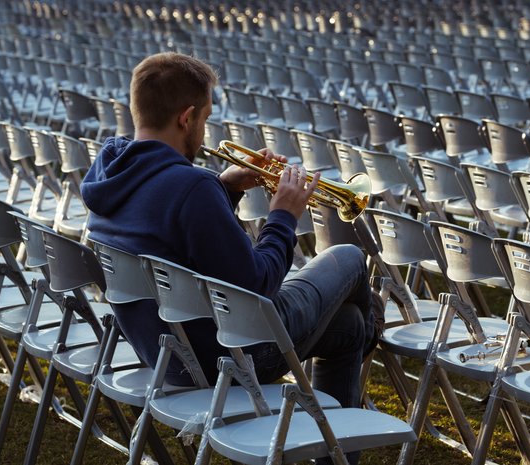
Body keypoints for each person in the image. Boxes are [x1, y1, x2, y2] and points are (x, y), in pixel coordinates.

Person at [81, 52, 382, 430]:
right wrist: (284, 216)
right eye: (205, 119)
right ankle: (377, 327)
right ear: (186, 117)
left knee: (349, 325)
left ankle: (335, 443)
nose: (205, 131)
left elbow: (167, 224)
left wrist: (227, 187)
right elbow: (260, 287)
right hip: (232, 356)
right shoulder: (192, 187)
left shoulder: (109, 169)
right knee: (349, 257)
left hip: (164, 351)